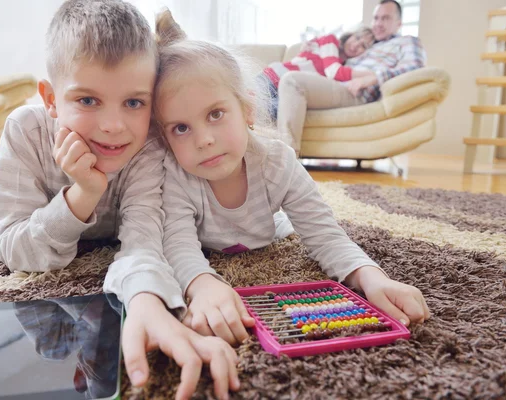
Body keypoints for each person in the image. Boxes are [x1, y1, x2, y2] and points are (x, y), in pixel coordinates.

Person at [0, 1, 238, 399]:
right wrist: (82, 194)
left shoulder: (147, 146)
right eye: (87, 100)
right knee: (51, 345)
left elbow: (144, 236)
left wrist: (144, 299)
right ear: (51, 98)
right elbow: (15, 250)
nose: (113, 127)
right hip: (53, 315)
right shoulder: (25, 133)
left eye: (134, 102)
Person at [153, 9, 431, 347]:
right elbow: (178, 244)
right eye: (181, 128)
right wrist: (203, 285)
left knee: (289, 226)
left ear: (248, 109)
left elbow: (326, 235)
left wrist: (371, 278)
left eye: (216, 114)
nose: (204, 140)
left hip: (269, 230)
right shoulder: (175, 175)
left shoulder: (278, 163)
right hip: (210, 246)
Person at [277, 0, 427, 154]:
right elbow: (335, 62)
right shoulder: (370, 43)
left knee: (292, 81)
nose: (378, 23)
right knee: (284, 90)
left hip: (355, 92)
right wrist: (311, 48)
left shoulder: (407, 41)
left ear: (398, 23)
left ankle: (287, 159)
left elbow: (415, 67)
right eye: (376, 18)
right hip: (337, 84)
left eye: (386, 18)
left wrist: (374, 78)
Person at [260, 27, 375, 122]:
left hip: (289, 92)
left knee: (268, 113)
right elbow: (333, 72)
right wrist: (372, 75)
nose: (355, 45)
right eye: (357, 38)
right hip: (273, 78)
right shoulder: (331, 40)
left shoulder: (345, 67)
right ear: (351, 35)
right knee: (250, 107)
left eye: (363, 46)